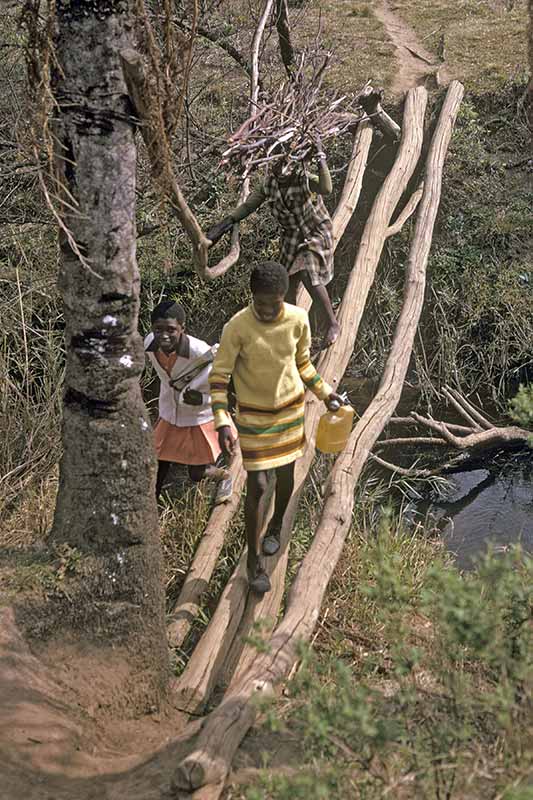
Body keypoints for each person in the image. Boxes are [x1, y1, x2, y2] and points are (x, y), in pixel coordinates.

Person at [209, 261, 343, 595]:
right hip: (253, 419)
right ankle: (254, 562)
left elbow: (303, 364)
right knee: (256, 485)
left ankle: (276, 525)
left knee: (285, 476)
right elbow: (219, 377)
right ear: (252, 296)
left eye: (275, 303)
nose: (268, 310)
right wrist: (222, 421)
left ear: (285, 295)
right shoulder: (237, 327)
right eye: (261, 303)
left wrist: (325, 394)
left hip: (289, 414)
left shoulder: (297, 319)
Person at [206, 137, 340, 348]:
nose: (278, 167)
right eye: (274, 162)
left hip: (316, 231)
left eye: (282, 162)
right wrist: (225, 223)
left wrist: (320, 155)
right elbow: (249, 206)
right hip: (292, 237)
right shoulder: (270, 184)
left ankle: (332, 323)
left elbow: (327, 188)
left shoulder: (303, 178)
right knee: (286, 284)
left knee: (308, 272)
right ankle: (294, 333)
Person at [145, 300, 235, 502]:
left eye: (171, 330)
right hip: (170, 413)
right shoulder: (149, 344)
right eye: (158, 330)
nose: (164, 335)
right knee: (157, 466)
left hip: (197, 416)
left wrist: (202, 398)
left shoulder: (200, 352)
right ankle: (149, 512)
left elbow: (221, 383)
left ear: (182, 329)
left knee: (196, 473)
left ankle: (223, 476)